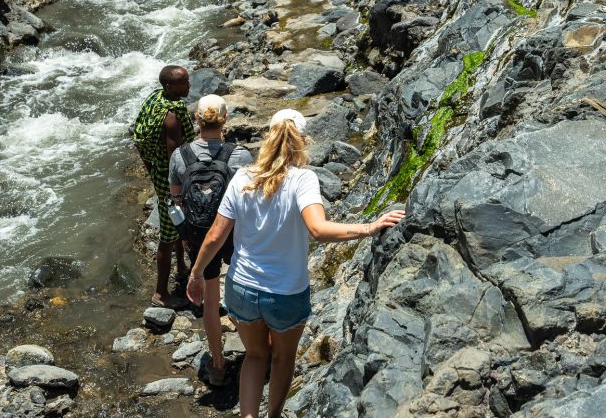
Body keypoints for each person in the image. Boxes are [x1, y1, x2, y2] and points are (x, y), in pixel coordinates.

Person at [186, 109, 404, 418]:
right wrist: (369, 228)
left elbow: (214, 237)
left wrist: (196, 274)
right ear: (302, 142)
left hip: (243, 288)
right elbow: (318, 229)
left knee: (255, 356)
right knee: (282, 358)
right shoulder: (303, 179)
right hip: (285, 293)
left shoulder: (243, 177)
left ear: (268, 139)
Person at [168, 94, 252, 386]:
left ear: (197, 120)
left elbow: (176, 198)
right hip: (233, 233)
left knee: (211, 302)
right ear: (225, 119)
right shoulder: (240, 156)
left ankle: (217, 364)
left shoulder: (180, 156)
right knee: (243, 291)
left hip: (200, 234)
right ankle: (257, 349)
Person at [130, 65, 195, 308]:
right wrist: (177, 191)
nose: (189, 85)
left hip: (158, 173)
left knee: (176, 224)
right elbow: (174, 156)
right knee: (168, 235)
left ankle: (181, 268)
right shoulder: (172, 116)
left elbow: (136, 136)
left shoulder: (154, 99)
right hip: (171, 181)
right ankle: (160, 294)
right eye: (184, 82)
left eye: (187, 80)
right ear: (170, 86)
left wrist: (150, 170)